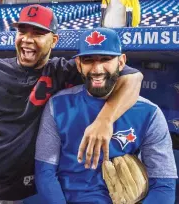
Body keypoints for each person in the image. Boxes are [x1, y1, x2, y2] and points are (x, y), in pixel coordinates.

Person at [0, 4, 142, 204]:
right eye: (22, 32)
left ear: (54, 40)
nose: (27, 39)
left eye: (37, 33)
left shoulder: (62, 73)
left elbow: (133, 78)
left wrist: (105, 120)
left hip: (6, 191)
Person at [35, 28, 177, 204]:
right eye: (88, 60)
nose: (97, 69)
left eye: (106, 59)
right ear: (78, 64)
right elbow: (45, 172)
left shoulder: (149, 113)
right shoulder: (58, 105)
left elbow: (164, 184)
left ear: (121, 62)